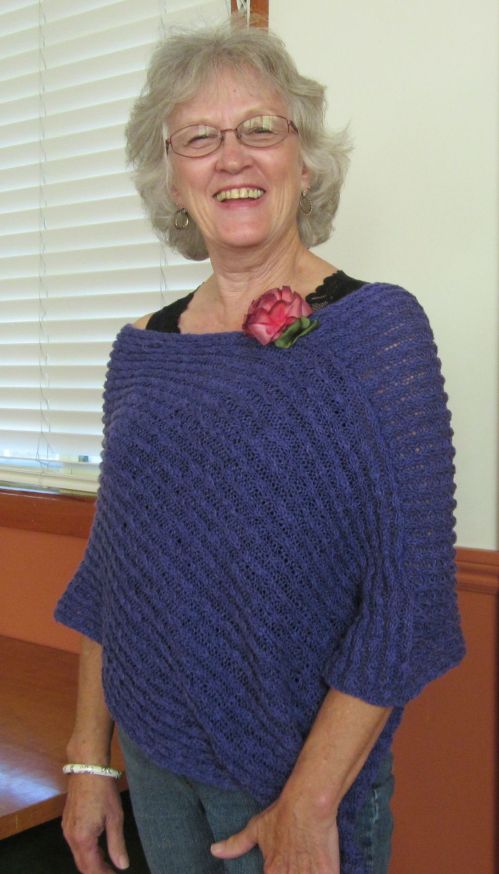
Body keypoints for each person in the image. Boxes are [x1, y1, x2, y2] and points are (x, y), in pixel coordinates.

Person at [55, 17, 465, 874]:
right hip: (155, 758)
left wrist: (308, 804)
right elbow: (113, 571)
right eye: (198, 138)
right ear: (171, 179)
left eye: (259, 128)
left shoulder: (375, 332)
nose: (230, 157)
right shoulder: (142, 348)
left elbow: (408, 594)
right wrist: (90, 759)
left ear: (303, 160)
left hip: (297, 777)